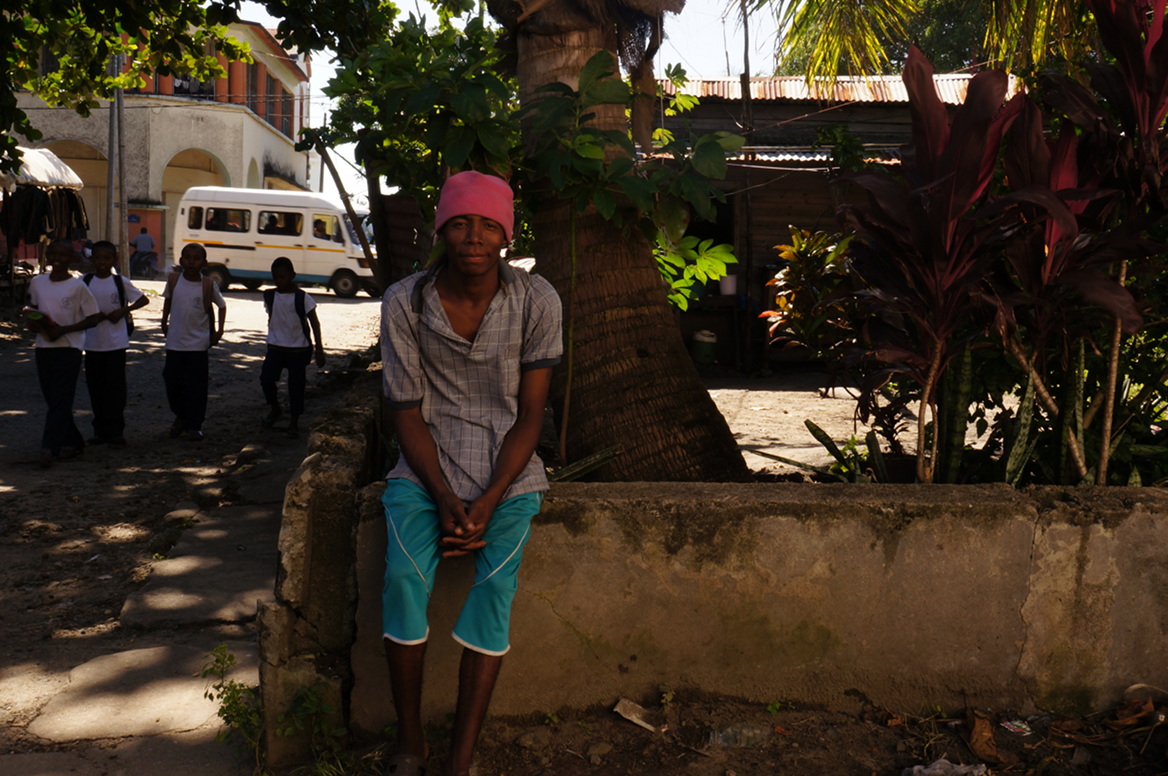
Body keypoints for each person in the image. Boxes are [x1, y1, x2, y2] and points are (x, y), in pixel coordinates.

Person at [379, 171, 563, 776]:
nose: (474, 237)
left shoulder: (537, 300)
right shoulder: (406, 301)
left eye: (488, 224)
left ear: (506, 235)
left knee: (495, 592)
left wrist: (487, 498)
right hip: (425, 465)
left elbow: (531, 413)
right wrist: (441, 494)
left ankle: (461, 757)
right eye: (460, 222)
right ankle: (411, 740)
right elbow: (404, 410)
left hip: (509, 474)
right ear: (442, 230)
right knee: (405, 579)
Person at [26, 240, 102, 467]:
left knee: (61, 398)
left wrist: (65, 330)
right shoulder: (37, 282)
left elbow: (94, 317)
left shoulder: (78, 287)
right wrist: (34, 323)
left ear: (72, 260)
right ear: (46, 256)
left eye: (63, 255)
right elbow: (32, 307)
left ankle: (50, 448)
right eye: (53, 254)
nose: (57, 258)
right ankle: (74, 440)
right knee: (53, 398)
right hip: (44, 347)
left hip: (70, 347)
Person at [82, 241, 149, 446]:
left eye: (107, 258)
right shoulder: (84, 282)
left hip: (117, 343)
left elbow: (143, 299)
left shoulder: (120, 282)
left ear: (114, 260)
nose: (102, 262)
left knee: (116, 388)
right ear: (92, 259)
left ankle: (116, 431)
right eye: (98, 258)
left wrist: (123, 311)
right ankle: (99, 430)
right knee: (96, 388)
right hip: (92, 343)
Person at [161, 242, 227, 441]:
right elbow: (168, 300)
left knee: (197, 386)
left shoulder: (207, 284)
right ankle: (181, 416)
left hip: (198, 344)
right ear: (181, 261)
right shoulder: (173, 280)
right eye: (187, 258)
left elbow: (221, 306)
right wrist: (164, 321)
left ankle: (194, 425)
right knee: (172, 382)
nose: (191, 262)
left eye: (196, 258)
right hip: (175, 342)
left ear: (204, 263)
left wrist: (219, 332)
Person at [260, 256, 326, 438]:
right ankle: (275, 408)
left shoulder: (303, 298)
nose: (279, 281)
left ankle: (294, 420)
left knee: (295, 386)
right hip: (276, 347)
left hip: (298, 349)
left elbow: (315, 323)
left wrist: (319, 349)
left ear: (292, 275)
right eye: (275, 277)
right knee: (266, 379)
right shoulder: (270, 296)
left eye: (282, 277)